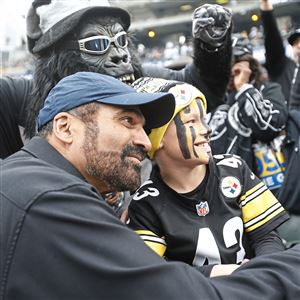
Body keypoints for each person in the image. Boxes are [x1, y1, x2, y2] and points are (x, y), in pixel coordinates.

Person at [1, 71, 299, 300]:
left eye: (145, 128)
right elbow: (178, 294)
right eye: (127, 121)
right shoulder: (54, 199)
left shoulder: (27, 178)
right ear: (66, 127)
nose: (145, 141)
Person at [0, 0, 233, 159]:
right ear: (55, 58)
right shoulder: (20, 99)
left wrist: (211, 49)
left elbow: (201, 88)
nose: (120, 55)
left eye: (121, 40)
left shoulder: (140, 82)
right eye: (96, 44)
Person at [127, 77, 289, 278]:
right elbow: (153, 275)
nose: (206, 129)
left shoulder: (234, 168)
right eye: (191, 121)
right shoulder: (146, 204)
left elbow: (266, 237)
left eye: (203, 119)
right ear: (157, 139)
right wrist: (221, 272)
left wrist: (263, 273)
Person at [208, 35, 288, 194]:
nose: (229, 70)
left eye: (234, 62)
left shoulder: (268, 90)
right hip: (227, 192)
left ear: (250, 65)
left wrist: (243, 88)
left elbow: (269, 127)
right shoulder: (213, 100)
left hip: (270, 193)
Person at [260, 0, 300, 108]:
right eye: (296, 42)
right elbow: (272, 39)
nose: (299, 45)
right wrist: (266, 7)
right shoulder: (282, 65)